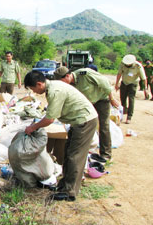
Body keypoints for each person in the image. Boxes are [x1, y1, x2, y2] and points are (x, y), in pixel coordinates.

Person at [24, 71, 98, 201]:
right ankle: (64, 185)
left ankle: (69, 192)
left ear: (39, 84)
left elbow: (50, 119)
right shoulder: (52, 87)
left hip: (84, 121)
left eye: (32, 88)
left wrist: (33, 127)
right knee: (68, 153)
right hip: (78, 121)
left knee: (75, 156)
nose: (33, 91)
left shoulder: (54, 91)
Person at [54, 66, 119, 160]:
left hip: (101, 100)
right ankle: (87, 151)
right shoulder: (69, 85)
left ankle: (106, 154)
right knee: (83, 125)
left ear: (67, 76)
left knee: (103, 126)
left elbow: (104, 83)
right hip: (88, 104)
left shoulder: (85, 74)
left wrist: (112, 98)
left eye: (61, 81)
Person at [115, 54, 147, 124]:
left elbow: (144, 78)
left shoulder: (138, 66)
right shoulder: (122, 64)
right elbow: (119, 74)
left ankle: (129, 117)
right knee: (122, 98)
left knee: (131, 99)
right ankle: (124, 111)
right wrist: (117, 84)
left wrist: (146, 88)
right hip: (124, 83)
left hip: (133, 83)